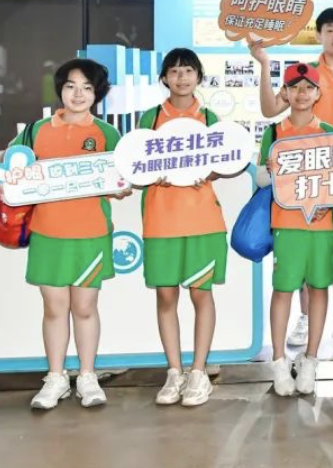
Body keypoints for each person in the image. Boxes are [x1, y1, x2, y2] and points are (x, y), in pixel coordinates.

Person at [12, 59, 126, 410]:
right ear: (60, 89)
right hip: (47, 233)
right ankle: (56, 377)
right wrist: (9, 175)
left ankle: (88, 376)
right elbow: (9, 165)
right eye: (71, 86)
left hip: (91, 233)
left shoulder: (108, 134)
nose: (78, 94)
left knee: (85, 307)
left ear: (97, 94)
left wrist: (121, 186)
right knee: (54, 307)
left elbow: (120, 181)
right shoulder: (35, 131)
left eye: (87, 88)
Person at [251, 8, 333, 350]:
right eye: (330, 29)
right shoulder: (307, 72)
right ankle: (304, 316)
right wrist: (264, 64)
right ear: (320, 34)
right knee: (300, 259)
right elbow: (270, 110)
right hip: (300, 180)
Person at [139, 49, 228, 408]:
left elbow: (225, 162)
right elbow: (136, 164)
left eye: (188, 71)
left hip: (203, 220)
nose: (181, 77)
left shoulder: (209, 118)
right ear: (164, 78)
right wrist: (151, 173)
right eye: (174, 71)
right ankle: (174, 371)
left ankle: (199, 372)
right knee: (165, 296)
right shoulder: (150, 117)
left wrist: (210, 172)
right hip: (161, 220)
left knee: (201, 294)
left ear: (199, 76)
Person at [258, 63, 333, 397]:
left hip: (322, 225)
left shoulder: (331, 132)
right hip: (286, 224)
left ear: (318, 94)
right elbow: (261, 178)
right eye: (295, 87)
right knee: (283, 290)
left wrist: (327, 203)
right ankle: (279, 360)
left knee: (319, 289)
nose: (302, 94)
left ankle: (311, 359)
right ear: (285, 93)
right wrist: (271, 172)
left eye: (308, 88)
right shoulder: (274, 133)